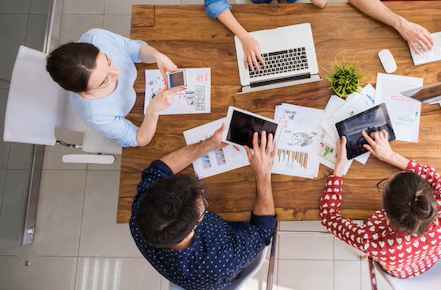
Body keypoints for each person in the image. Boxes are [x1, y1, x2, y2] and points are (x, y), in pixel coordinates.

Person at [130, 125, 277, 290]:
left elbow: (158, 169)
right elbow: (263, 231)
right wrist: (263, 172)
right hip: (225, 253)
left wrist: (210, 144)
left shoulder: (142, 213)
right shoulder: (222, 260)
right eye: (203, 204)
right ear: (193, 229)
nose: (201, 193)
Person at [320, 131, 441, 278]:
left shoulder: (374, 242)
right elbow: (434, 178)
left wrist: (339, 166)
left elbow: (328, 216)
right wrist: (391, 156)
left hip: (402, 271)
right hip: (432, 257)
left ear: (385, 215)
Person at [46, 28, 181, 147]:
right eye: (105, 80)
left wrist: (157, 56)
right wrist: (153, 111)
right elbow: (139, 139)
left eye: (108, 61)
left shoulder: (97, 37)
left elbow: (135, 49)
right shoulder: (96, 114)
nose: (117, 73)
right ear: (84, 91)